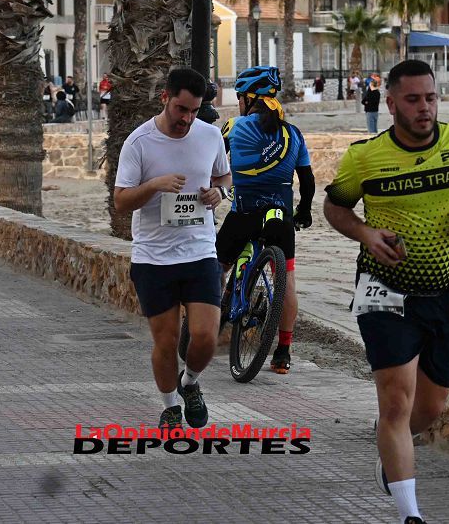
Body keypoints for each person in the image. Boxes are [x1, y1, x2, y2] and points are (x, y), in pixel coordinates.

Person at [323, 60, 449, 524]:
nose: (424, 108)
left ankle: (391, 449)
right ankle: (410, 515)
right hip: (385, 291)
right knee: (396, 401)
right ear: (391, 103)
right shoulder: (364, 157)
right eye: (413, 99)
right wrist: (366, 234)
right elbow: (335, 206)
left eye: (431, 98)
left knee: (427, 409)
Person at [113, 68, 231, 431]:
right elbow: (120, 201)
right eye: (181, 109)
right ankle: (169, 407)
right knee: (165, 341)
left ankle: (190, 383)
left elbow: (224, 177)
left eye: (194, 111)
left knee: (207, 336)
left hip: (199, 251)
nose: (187, 119)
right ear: (165, 97)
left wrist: (220, 193)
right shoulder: (139, 142)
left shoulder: (210, 136)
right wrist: (155, 185)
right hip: (154, 258)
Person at [217, 66, 315, 374]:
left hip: (244, 213)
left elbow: (211, 161)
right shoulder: (293, 133)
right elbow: (308, 181)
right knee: (287, 281)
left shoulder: (234, 126)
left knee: (216, 265)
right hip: (280, 218)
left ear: (249, 98)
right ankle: (283, 352)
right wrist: (305, 211)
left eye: (239, 97)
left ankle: (208, 321)